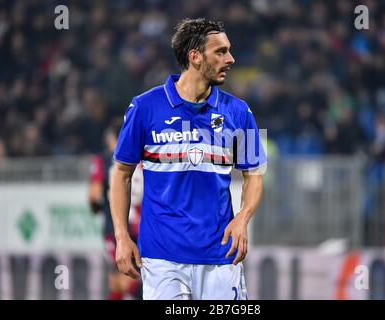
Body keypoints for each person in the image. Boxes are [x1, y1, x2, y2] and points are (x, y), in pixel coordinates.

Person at [109, 18, 267, 300]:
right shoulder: (145, 107)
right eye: (220, 51)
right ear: (195, 57)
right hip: (162, 256)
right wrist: (122, 237)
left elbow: (254, 175)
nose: (230, 58)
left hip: (221, 253)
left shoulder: (239, 112)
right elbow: (121, 174)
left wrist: (243, 219)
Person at [89, 119, 143, 300]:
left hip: (116, 227)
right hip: (141, 225)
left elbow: (94, 195)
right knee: (115, 282)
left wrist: (96, 208)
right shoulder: (142, 157)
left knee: (126, 280)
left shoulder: (103, 159)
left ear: (112, 138)